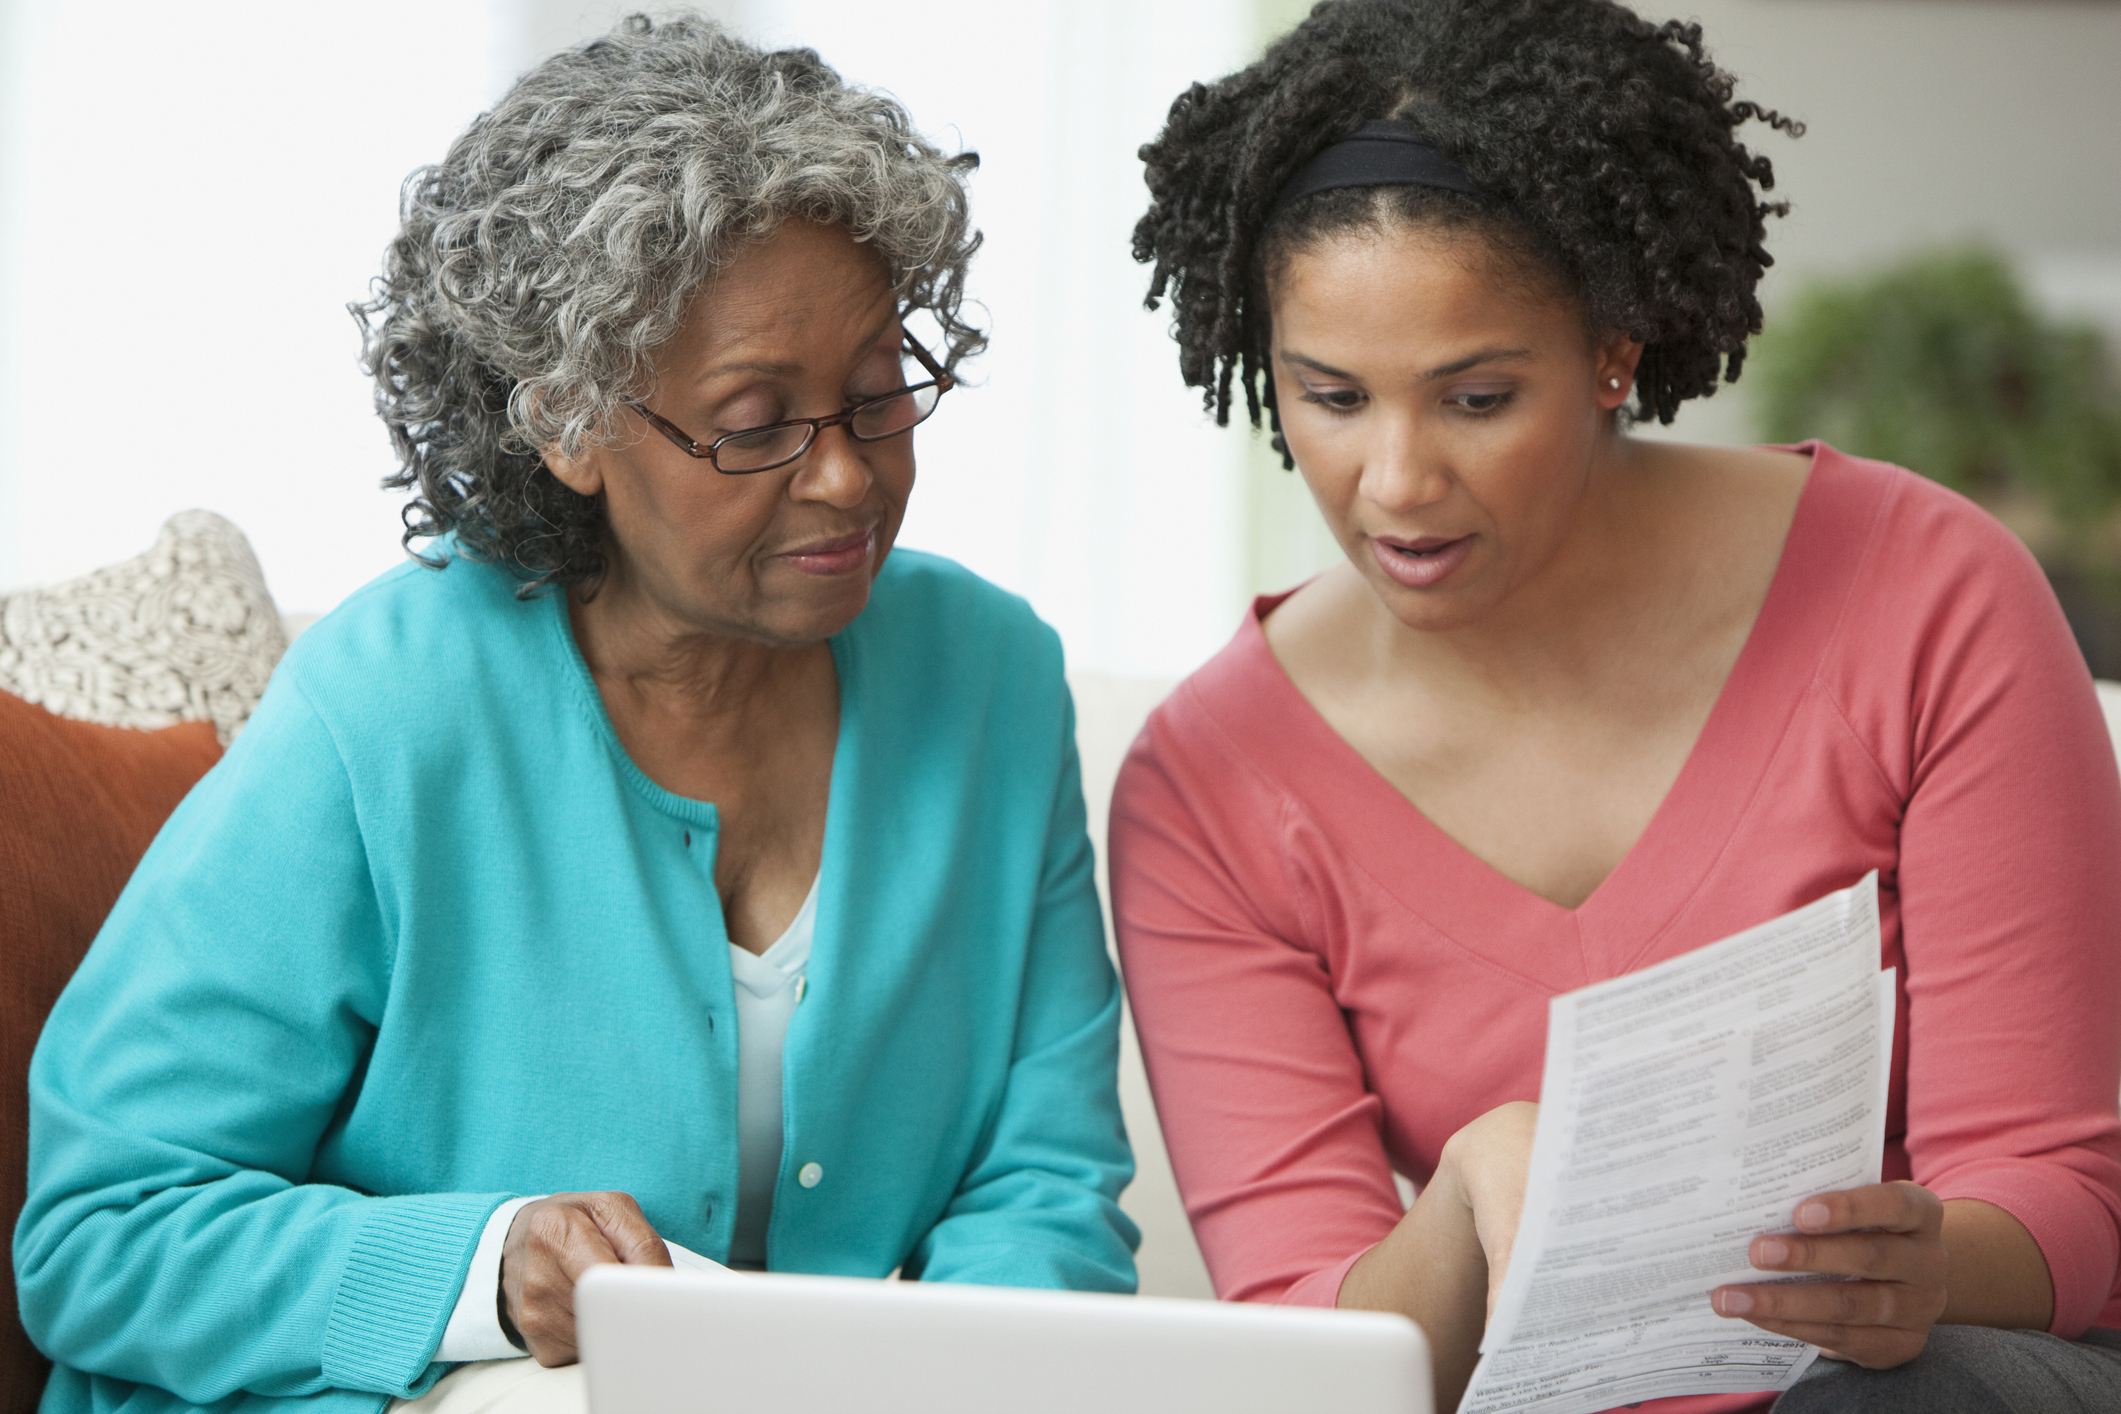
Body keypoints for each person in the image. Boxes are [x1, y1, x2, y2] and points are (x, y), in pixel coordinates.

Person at [15, 17, 1137, 1414]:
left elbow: (1036, 1187)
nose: (846, 478)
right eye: (753, 420)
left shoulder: (989, 681)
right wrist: (485, 1268)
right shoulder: (387, 705)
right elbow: (99, 1231)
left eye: (874, 395)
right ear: (567, 422)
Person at [1110, 2, 2121, 1411]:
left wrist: (1919, 1265)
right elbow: (1310, 1345)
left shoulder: (1927, 596)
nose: (1393, 481)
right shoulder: (1208, 783)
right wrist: (1465, 1193)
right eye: (1329, 395)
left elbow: (2063, 1196)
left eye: (1474, 398)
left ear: (1610, 348)